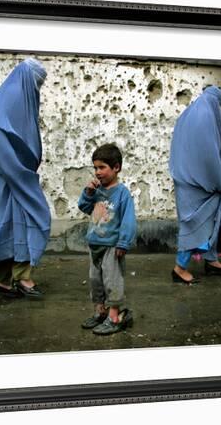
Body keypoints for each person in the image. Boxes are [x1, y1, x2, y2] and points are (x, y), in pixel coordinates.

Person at [0, 58, 50, 299]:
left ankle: (2, 280)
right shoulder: (14, 94)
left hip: (9, 173)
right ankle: (22, 278)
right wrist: (20, 171)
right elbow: (2, 135)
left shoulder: (11, 93)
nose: (38, 87)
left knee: (10, 222)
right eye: (37, 82)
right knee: (36, 214)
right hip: (12, 172)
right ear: (28, 78)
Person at [168, 85, 221, 285]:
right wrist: (219, 181)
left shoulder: (188, 114)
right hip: (198, 183)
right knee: (192, 224)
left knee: (209, 219)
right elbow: (208, 155)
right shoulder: (205, 116)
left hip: (186, 179)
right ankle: (180, 268)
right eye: (217, 104)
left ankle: (210, 259)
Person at [78, 143, 136, 335]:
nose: (98, 172)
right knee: (96, 281)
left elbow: (128, 220)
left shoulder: (122, 194)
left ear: (116, 167)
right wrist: (88, 193)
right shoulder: (96, 191)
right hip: (95, 245)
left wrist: (123, 242)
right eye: (95, 168)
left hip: (112, 246)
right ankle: (100, 313)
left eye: (102, 167)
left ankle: (114, 317)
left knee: (112, 281)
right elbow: (84, 207)